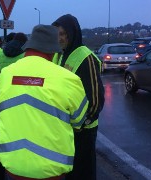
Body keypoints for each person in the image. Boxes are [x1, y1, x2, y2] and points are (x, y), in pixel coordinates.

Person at [0, 24, 89, 179]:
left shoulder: (5, 74)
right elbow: (79, 121)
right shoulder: (68, 79)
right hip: (51, 170)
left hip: (13, 165)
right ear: (53, 51)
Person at [52, 14, 105, 180]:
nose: (59, 38)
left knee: (84, 172)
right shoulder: (59, 55)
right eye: (57, 34)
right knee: (70, 171)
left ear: (72, 33)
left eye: (63, 34)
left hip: (83, 130)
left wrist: (82, 124)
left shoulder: (85, 57)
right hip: (66, 127)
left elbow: (96, 99)